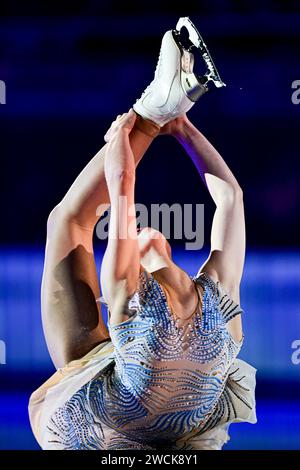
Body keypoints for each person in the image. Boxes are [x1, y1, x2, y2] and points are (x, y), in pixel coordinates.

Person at [29, 18, 256, 450]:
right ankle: (161, 102)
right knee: (67, 224)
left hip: (107, 429)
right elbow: (227, 197)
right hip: (175, 424)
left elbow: (129, 187)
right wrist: (168, 125)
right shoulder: (168, 295)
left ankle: (161, 102)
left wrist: (141, 127)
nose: (148, 233)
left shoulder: (167, 295)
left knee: (67, 226)